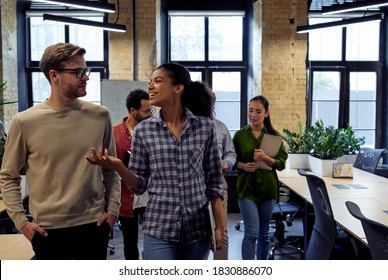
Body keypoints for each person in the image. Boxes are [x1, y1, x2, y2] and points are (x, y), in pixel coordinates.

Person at [86, 63, 225, 260]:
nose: (150, 86)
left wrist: (219, 227)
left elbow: (214, 181)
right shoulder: (144, 131)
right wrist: (118, 165)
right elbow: (139, 185)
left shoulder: (204, 127)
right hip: (159, 227)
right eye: (150, 81)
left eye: (158, 81)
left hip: (197, 229)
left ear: (178, 87)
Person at [0, 43, 121, 260]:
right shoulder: (25, 122)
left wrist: (113, 210)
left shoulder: (100, 115)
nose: (86, 77)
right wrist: (22, 223)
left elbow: (111, 170)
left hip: (94, 225)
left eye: (86, 70)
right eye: (77, 72)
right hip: (48, 231)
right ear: (54, 75)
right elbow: (8, 176)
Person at [232, 95, 287, 260]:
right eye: (250, 111)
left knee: (264, 234)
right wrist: (242, 165)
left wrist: (266, 158)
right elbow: (231, 159)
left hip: (268, 190)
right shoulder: (240, 136)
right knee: (251, 233)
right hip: (246, 189)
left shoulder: (273, 136)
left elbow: (281, 163)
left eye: (258, 111)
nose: (253, 115)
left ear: (266, 113)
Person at [186, 88, 236, 260]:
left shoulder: (220, 127)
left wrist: (226, 163)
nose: (211, 108)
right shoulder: (185, 126)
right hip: (194, 185)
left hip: (218, 182)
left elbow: (230, 153)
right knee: (195, 232)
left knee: (221, 231)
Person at [113, 88, 152, 260]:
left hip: (150, 194)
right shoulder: (115, 133)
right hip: (126, 195)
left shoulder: (153, 131)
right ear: (132, 111)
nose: (150, 114)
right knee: (130, 241)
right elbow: (108, 166)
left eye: (151, 110)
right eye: (146, 111)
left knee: (153, 240)